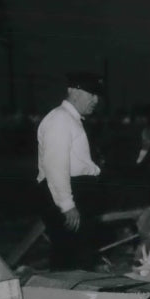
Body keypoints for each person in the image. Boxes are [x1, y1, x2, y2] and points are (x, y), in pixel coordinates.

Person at [35, 72, 104, 270]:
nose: (96, 100)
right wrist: (66, 205)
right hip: (70, 193)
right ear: (73, 91)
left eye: (97, 95)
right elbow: (55, 165)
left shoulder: (70, 119)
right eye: (92, 94)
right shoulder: (60, 120)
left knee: (77, 255)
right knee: (71, 259)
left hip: (78, 190)